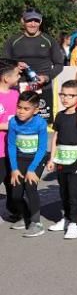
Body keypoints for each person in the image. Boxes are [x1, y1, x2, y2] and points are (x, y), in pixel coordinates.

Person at [2, 9, 64, 122]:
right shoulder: (13, 40)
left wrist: (47, 77)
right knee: (19, 121)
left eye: (36, 20)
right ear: (23, 21)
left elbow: (59, 64)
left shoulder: (49, 40)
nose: (33, 24)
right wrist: (15, 64)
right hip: (19, 87)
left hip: (43, 86)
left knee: (42, 123)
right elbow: (4, 63)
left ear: (40, 22)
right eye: (29, 20)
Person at [45, 79, 77, 239]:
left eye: (70, 95)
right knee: (64, 191)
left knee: (74, 192)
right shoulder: (60, 116)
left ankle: (75, 224)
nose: (65, 98)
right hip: (61, 158)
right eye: (63, 94)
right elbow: (55, 137)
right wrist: (52, 159)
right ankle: (67, 218)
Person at [7, 91, 48, 237]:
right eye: (19, 107)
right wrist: (14, 169)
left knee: (30, 188)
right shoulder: (13, 122)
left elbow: (42, 148)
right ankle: (26, 216)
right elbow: (11, 146)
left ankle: (36, 223)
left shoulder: (40, 123)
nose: (21, 111)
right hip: (19, 158)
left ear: (35, 110)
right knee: (16, 195)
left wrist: (32, 169)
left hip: (36, 159)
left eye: (26, 108)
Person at [0, 60, 22, 224]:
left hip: (13, 149)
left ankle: (15, 210)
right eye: (17, 73)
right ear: (6, 78)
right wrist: (9, 125)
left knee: (12, 182)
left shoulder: (16, 94)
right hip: (0, 149)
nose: (19, 76)